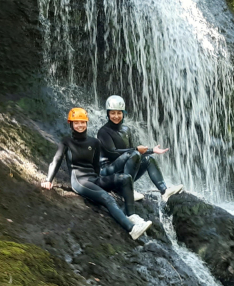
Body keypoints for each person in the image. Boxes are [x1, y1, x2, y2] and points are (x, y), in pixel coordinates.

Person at [42, 107, 153, 241]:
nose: (80, 125)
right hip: (79, 181)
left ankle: (131, 215)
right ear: (70, 123)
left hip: (94, 178)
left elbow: (96, 165)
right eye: (76, 122)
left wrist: (103, 181)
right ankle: (132, 229)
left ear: (86, 123)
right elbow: (57, 160)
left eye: (82, 122)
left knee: (126, 178)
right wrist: (49, 180)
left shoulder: (94, 142)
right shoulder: (67, 142)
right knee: (107, 198)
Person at [97, 95, 184, 202]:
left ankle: (164, 191)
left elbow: (133, 151)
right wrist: (136, 150)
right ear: (108, 114)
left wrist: (152, 150)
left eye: (119, 113)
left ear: (123, 113)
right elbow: (112, 153)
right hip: (107, 172)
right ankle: (127, 191)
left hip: (121, 170)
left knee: (148, 159)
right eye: (112, 113)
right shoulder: (103, 132)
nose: (116, 116)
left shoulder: (126, 130)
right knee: (135, 154)